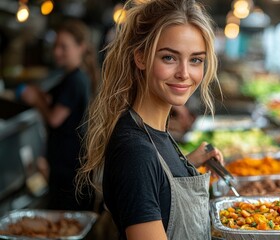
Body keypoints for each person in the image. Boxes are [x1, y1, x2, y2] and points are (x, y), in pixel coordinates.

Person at [76, 0, 223, 239]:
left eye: (196, 60)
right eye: (169, 58)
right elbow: (141, 170)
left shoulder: (151, 130)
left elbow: (155, 185)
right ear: (141, 58)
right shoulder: (135, 151)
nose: (184, 73)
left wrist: (188, 163)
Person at [19, 20, 99, 210]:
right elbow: (53, 99)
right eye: (56, 46)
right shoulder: (73, 76)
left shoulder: (75, 80)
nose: (57, 52)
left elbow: (55, 119)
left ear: (81, 47)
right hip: (69, 165)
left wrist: (36, 100)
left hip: (69, 167)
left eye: (64, 47)